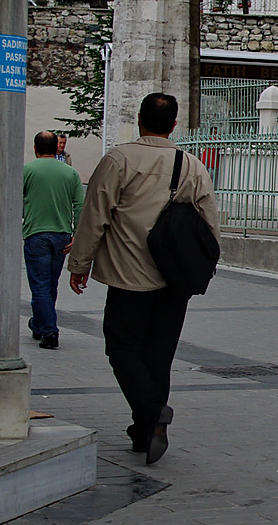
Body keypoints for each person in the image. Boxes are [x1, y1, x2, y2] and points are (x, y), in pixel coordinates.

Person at [67, 93, 221, 464]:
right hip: (175, 279)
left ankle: (152, 412)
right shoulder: (191, 165)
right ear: (174, 124)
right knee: (159, 355)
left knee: (121, 348)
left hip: (129, 275)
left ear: (139, 120)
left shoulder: (119, 159)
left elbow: (95, 215)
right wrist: (202, 267)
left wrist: (79, 263)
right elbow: (209, 223)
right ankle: (145, 430)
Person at [23, 131, 84, 350]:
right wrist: (77, 234)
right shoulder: (71, 173)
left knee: (39, 284)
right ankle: (39, 324)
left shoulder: (27, 171)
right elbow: (80, 205)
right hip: (62, 235)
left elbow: (15, 199)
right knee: (50, 283)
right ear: (56, 147)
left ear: (35, 148)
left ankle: (49, 331)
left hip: (35, 233)